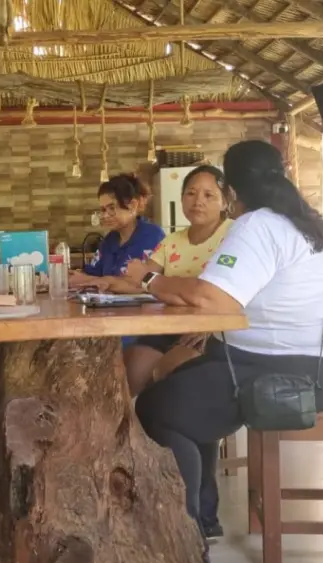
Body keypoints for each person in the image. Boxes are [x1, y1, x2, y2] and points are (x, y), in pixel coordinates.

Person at [124, 140, 323, 563]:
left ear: (231, 192)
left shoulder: (257, 225)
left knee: (158, 407)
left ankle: (186, 537)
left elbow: (212, 299)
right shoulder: (312, 224)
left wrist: (149, 281)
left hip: (285, 374)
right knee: (187, 385)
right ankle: (204, 516)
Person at [80, 165, 233, 538]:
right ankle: (127, 479)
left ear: (225, 201)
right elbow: (140, 279)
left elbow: (232, 294)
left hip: (212, 336)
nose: (198, 201)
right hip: (168, 330)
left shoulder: (234, 237)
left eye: (208, 195)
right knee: (123, 378)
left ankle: (202, 514)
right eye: (191, 193)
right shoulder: (174, 242)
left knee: (175, 390)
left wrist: (210, 325)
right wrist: (105, 284)